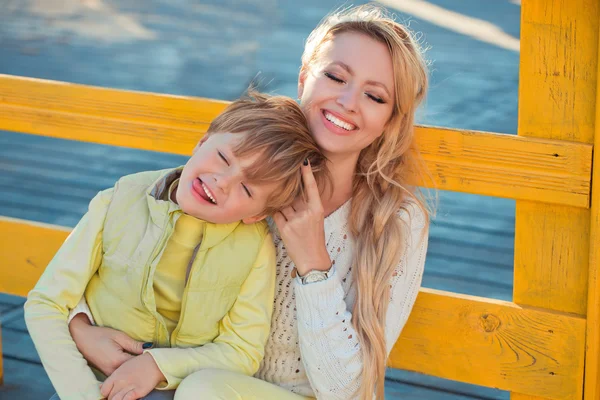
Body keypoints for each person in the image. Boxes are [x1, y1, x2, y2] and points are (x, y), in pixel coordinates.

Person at [68, 3, 432, 399]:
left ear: (390, 121)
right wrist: (79, 325)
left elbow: (348, 392)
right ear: (304, 78)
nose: (347, 101)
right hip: (187, 382)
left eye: (375, 97)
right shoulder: (239, 176)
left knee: (203, 390)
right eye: (335, 76)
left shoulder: (395, 221)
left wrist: (313, 265)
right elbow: (130, 255)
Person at [24, 92, 330, 400]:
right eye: (223, 157)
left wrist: (158, 366)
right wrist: (83, 394)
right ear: (202, 141)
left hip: (176, 388)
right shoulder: (119, 201)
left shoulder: (254, 248)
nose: (222, 180)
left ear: (256, 214)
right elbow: (46, 304)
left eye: (247, 188)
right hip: (91, 382)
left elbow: (241, 350)